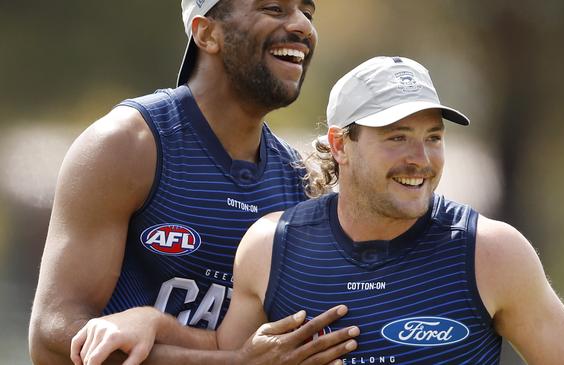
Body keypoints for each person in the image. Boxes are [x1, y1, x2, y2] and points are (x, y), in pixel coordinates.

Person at [70, 56, 564, 364]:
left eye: (434, 137)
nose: (422, 159)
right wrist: (147, 321)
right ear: (341, 144)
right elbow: (233, 356)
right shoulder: (271, 245)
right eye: (397, 137)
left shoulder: (493, 253)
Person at [29, 0, 359, 364]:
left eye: (307, 14)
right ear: (207, 33)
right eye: (274, 8)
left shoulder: (300, 182)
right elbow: (52, 337)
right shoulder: (127, 144)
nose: (302, 26)